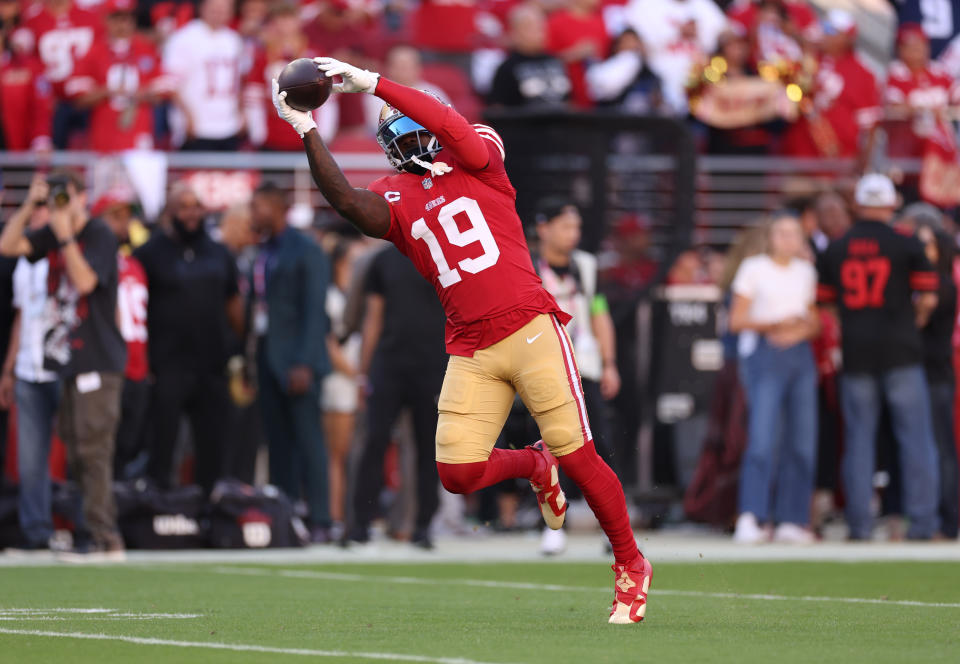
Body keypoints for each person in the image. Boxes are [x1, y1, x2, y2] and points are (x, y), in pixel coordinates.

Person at [272, 55, 652, 623]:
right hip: (470, 345)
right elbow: (349, 203)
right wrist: (307, 131)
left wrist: (376, 83)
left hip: (528, 326)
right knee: (458, 473)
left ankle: (630, 564)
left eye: (402, 117)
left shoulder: (479, 156)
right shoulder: (394, 193)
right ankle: (531, 465)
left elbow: (452, 129)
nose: (398, 130)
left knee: (581, 454)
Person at [0, 171, 127, 559]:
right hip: (69, 361)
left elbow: (86, 282)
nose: (59, 206)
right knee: (75, 451)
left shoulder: (99, 234)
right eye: (54, 198)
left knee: (93, 450)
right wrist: (28, 206)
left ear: (81, 198)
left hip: (99, 360)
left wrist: (66, 235)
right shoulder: (53, 233)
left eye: (64, 197)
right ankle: (88, 535)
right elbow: (8, 246)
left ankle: (105, 537)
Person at [816, 174, 941, 540]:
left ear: (857, 204)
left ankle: (859, 525)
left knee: (858, 442)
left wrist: (852, 328)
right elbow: (929, 298)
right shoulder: (906, 243)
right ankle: (922, 524)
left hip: (857, 352)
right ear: (891, 203)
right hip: (901, 352)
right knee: (915, 440)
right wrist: (911, 324)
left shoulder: (836, 248)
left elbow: (826, 305)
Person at [135, 182, 243, 492]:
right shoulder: (149, 253)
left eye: (196, 205)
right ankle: (158, 508)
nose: (191, 213)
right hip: (167, 366)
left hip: (212, 365)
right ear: (170, 212)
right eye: (183, 206)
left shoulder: (219, 253)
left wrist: (236, 348)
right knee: (163, 444)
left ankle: (209, 510)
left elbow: (234, 304)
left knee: (211, 444)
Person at [532, 198, 621, 554]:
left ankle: (611, 526)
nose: (574, 234)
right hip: (544, 368)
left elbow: (599, 312)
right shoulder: (526, 264)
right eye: (566, 226)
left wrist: (610, 361)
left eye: (577, 227)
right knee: (551, 447)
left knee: (599, 447)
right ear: (544, 229)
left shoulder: (586, 265)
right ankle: (553, 525)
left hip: (585, 365)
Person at [345, 243, 447, 549]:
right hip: (388, 364)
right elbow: (373, 316)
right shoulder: (382, 261)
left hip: (431, 366)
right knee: (374, 441)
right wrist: (364, 372)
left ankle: (423, 524)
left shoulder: (439, 257)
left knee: (428, 447)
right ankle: (360, 522)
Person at [247, 182, 332, 541]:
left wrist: (304, 362)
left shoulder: (306, 249)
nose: (253, 215)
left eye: (257, 207)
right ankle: (285, 516)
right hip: (268, 357)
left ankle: (321, 520)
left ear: (277, 207)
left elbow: (316, 312)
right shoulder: (264, 249)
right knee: (278, 442)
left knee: (309, 441)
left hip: (297, 361)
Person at [728, 213, 820, 543]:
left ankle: (792, 518)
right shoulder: (754, 268)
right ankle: (752, 514)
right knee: (763, 438)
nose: (787, 239)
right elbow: (736, 320)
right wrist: (777, 325)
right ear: (770, 237)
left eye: (794, 233)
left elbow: (813, 319)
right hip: (764, 356)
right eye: (781, 233)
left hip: (799, 355)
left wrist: (799, 329)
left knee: (802, 440)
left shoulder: (806, 271)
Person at [0, 202, 61, 549]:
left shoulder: (71, 248)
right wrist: (8, 369)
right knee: (31, 460)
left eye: (46, 206)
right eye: (36, 208)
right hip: (28, 367)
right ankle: (36, 533)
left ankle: (85, 529)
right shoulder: (25, 259)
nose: (40, 213)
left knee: (83, 455)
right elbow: (22, 319)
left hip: (65, 366)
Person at [65, 0, 171, 152]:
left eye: (127, 18)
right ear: (106, 20)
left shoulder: (146, 49)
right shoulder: (94, 52)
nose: (122, 24)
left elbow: (164, 91)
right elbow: (78, 97)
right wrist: (108, 91)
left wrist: (141, 93)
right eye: (117, 18)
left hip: (139, 136)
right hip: (104, 139)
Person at [781, 10, 880, 161]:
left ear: (847, 38)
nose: (825, 35)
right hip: (800, 159)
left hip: (839, 162)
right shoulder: (807, 60)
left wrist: (862, 162)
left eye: (831, 31)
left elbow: (870, 125)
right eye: (824, 29)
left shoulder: (864, 74)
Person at [99, 195, 150, 479]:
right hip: (108, 370)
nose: (123, 224)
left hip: (138, 370)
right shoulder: (89, 262)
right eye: (114, 217)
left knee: (130, 447)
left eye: (125, 217)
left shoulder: (136, 265)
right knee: (103, 450)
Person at [915, 222, 959, 539]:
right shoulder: (922, 284)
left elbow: (920, 324)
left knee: (940, 449)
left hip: (935, 374)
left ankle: (946, 520)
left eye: (927, 244)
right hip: (922, 373)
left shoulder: (941, 285)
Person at [13, 0, 102, 148]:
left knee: (90, 152)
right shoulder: (32, 19)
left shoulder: (91, 15)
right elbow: (29, 62)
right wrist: (44, 93)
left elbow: (101, 54)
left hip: (88, 100)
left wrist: (95, 89)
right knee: (55, 153)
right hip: (53, 103)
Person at [322, 235, 363, 536]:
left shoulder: (357, 294)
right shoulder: (330, 296)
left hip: (360, 380)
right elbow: (329, 345)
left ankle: (351, 515)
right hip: (341, 382)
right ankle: (335, 516)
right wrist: (356, 374)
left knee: (354, 454)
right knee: (337, 453)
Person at [162, 0, 244, 150]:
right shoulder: (183, 38)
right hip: (196, 128)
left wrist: (241, 113)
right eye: (214, 7)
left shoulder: (234, 40)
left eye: (225, 8)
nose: (219, 12)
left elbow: (238, 81)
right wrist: (188, 117)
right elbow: (170, 85)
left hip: (229, 126)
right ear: (202, 8)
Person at [488, 4, 571, 109]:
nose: (539, 33)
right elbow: (498, 110)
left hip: (562, 124)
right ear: (515, 33)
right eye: (530, 27)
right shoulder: (506, 68)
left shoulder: (556, 61)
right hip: (525, 124)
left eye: (541, 27)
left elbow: (569, 101)